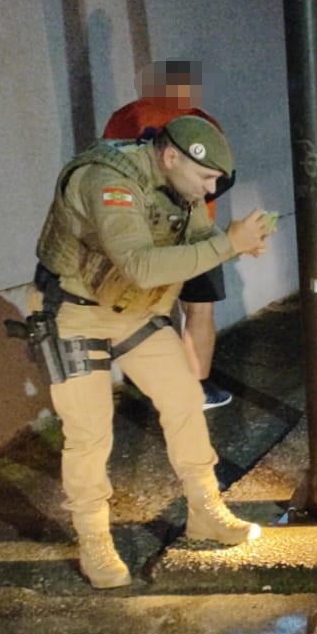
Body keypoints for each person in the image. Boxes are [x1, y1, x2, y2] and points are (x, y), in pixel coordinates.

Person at [30, 116, 273, 588]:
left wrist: (238, 243)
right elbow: (141, 264)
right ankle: (93, 539)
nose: (211, 188)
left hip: (135, 313)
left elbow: (198, 238)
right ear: (169, 157)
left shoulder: (181, 189)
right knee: (90, 433)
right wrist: (227, 245)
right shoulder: (109, 180)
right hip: (76, 312)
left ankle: (205, 510)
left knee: (185, 400)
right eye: (205, 178)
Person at [103, 61, 235, 410]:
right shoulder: (200, 120)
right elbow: (220, 175)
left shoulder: (126, 117)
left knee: (143, 313)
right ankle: (196, 391)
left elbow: (110, 165)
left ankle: (154, 386)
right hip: (195, 230)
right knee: (199, 309)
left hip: (145, 231)